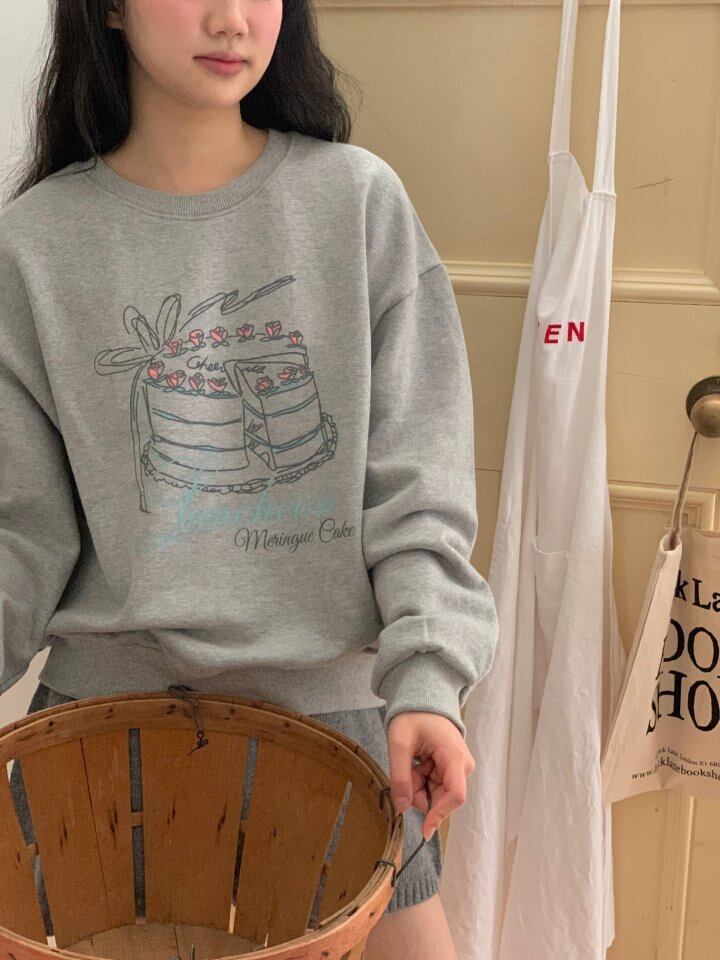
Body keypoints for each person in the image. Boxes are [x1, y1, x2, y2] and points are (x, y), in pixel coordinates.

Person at [0, 1, 499, 957]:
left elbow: (419, 494)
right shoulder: (34, 244)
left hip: (346, 729)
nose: (232, 18)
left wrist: (429, 681)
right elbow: (21, 534)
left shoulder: (357, 202)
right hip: (104, 747)